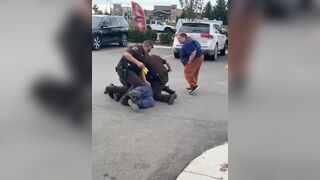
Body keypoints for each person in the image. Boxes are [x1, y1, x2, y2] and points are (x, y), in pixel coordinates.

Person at [105, 40, 154, 105]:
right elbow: (126, 54)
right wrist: (137, 62)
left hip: (131, 72)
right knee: (137, 83)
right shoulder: (137, 48)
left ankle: (110, 89)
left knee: (130, 87)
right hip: (124, 69)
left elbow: (143, 68)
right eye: (148, 49)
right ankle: (125, 100)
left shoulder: (146, 55)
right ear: (145, 46)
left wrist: (144, 80)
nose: (149, 51)